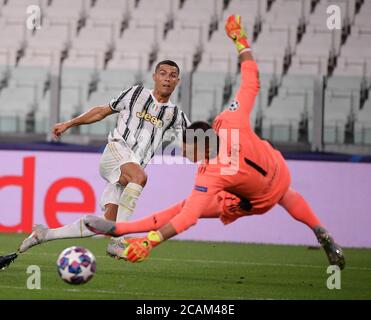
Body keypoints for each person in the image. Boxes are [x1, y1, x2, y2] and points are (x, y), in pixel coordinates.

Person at [83, 15, 345, 269]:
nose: (183, 153)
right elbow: (251, 81)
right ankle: (319, 229)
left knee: (184, 208)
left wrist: (150, 242)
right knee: (286, 195)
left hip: (256, 199)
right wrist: (241, 42)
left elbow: (185, 218)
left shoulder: (212, 174)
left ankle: (120, 229)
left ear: (202, 147)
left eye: (186, 148)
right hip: (279, 171)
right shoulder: (231, 120)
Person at [18, 59, 190, 258]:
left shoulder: (176, 114)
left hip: (130, 170)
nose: (167, 79)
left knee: (105, 225)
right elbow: (102, 111)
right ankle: (118, 241)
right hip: (116, 152)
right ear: (154, 76)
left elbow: (196, 138)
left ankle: (44, 234)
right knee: (140, 178)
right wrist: (69, 124)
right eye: (162, 73)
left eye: (172, 75)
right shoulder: (135, 94)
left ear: (178, 81)